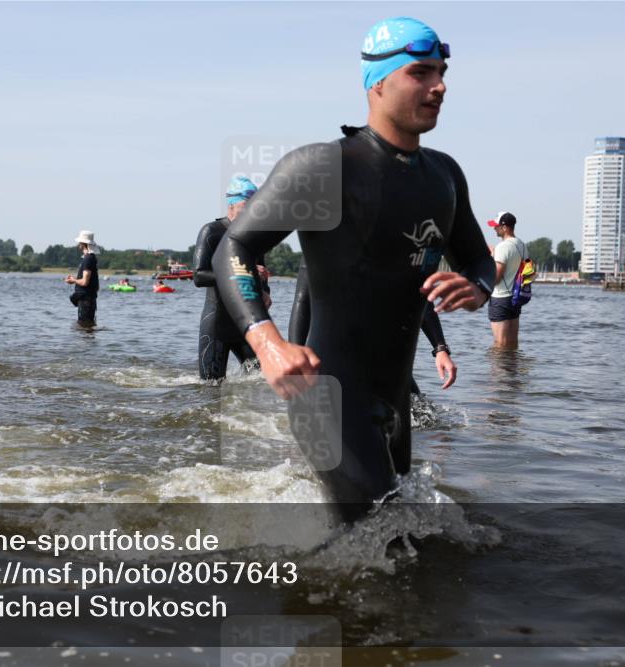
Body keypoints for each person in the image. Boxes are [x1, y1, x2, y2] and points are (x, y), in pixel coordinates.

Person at [211, 17, 494, 522]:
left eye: (443, 72)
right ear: (378, 82)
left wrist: (475, 287)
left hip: (395, 401)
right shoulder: (325, 169)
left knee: (401, 541)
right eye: (422, 73)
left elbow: (477, 258)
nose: (440, 86)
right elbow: (234, 248)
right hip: (325, 400)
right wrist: (268, 344)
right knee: (381, 534)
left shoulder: (444, 176)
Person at [289, 257, 457, 391]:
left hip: (381, 350)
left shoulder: (399, 238)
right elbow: (302, 300)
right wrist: (296, 356)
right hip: (333, 349)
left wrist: (440, 348)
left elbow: (420, 296)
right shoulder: (326, 238)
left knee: (419, 413)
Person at [192, 176, 270, 381]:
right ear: (232, 205)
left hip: (245, 323)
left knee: (261, 380)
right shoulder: (211, 232)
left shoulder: (253, 236)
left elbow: (261, 274)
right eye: (246, 206)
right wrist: (245, 270)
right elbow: (199, 276)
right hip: (216, 323)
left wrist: (264, 292)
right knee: (211, 388)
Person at [487, 211, 526, 349]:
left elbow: (496, 278)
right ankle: (511, 369)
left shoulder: (502, 247)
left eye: (496, 226)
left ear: (505, 227)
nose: (494, 228)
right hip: (515, 298)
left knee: (500, 344)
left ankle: (498, 370)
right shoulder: (521, 245)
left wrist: (491, 259)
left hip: (500, 298)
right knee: (512, 343)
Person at [65, 230, 100, 327]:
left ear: (83, 243)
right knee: (87, 328)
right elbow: (87, 280)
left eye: (80, 242)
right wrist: (75, 279)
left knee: (84, 326)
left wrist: (73, 281)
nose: (78, 244)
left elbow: (85, 282)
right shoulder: (90, 258)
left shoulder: (88, 259)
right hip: (88, 299)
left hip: (86, 301)